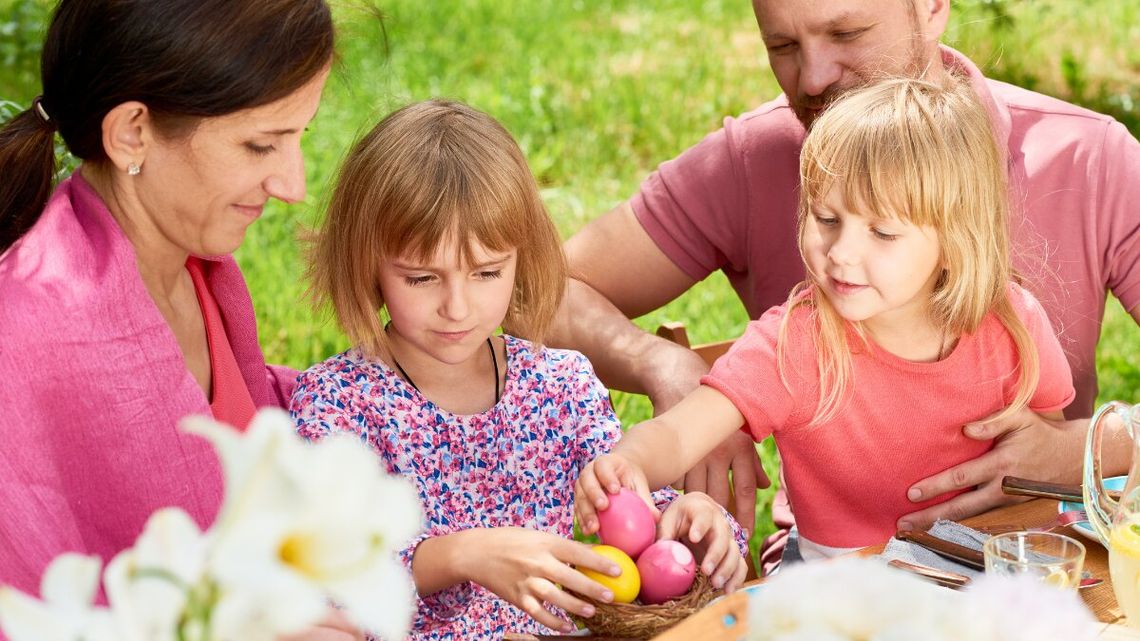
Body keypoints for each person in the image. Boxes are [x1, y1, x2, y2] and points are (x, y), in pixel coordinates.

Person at [553, 0, 1140, 569]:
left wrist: (1085, 448)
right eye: (782, 45)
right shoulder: (797, 330)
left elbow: (1052, 426)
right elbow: (536, 288)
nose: (813, 79)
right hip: (840, 575)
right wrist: (659, 392)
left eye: (848, 33)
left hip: (996, 567)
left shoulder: (1073, 199)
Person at [289, 99, 748, 640]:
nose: (457, 307)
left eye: (486, 272)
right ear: (366, 263)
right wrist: (461, 555)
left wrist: (689, 524)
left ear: (520, 258)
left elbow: (623, 515)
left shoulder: (559, 385)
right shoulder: (340, 404)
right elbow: (326, 585)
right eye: (421, 278)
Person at [0, 1, 355, 638]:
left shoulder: (193, 267)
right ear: (132, 131)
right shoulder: (23, 336)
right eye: (260, 144)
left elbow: (244, 423)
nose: (294, 184)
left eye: (298, 137)